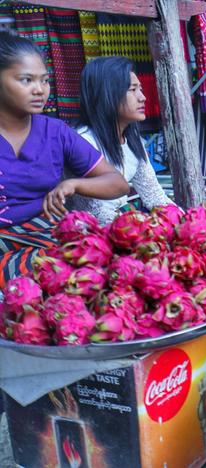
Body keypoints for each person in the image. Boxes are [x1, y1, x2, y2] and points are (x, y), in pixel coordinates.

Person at [0, 32, 129, 288]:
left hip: (46, 235)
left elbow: (118, 183)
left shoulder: (56, 132)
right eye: (26, 80)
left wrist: (74, 185)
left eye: (45, 81)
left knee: (97, 258)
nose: (40, 90)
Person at [67, 57, 174, 225]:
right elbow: (98, 212)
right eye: (133, 90)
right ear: (108, 93)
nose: (143, 97)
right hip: (90, 237)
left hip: (122, 226)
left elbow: (153, 195)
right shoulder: (83, 142)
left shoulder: (132, 140)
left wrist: (184, 220)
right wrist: (143, 231)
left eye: (141, 89)